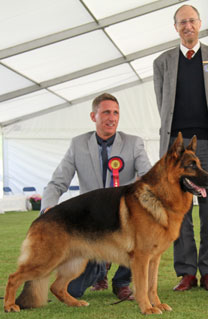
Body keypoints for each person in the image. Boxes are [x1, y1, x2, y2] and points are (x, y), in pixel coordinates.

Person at [41, 92, 152, 300]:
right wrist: (47, 207)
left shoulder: (134, 143)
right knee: (73, 291)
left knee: (139, 232)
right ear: (94, 117)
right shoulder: (78, 144)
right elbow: (58, 182)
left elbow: (148, 177)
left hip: (123, 218)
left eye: (116, 113)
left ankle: (121, 282)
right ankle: (99, 272)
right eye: (106, 112)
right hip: (90, 220)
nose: (112, 118)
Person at [153, 4, 208, 291]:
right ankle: (186, 271)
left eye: (192, 21)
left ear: (200, 24)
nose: (187, 26)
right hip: (175, 149)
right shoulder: (161, 63)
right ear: (176, 27)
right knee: (178, 210)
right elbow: (162, 104)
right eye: (181, 22)